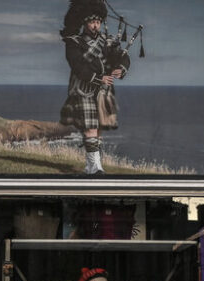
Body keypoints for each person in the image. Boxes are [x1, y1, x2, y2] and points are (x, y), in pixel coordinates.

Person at [59, 0, 130, 175]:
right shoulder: (74, 42)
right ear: (84, 22)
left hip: (103, 91)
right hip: (83, 89)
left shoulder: (107, 41)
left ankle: (90, 166)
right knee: (90, 127)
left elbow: (122, 56)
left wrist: (121, 68)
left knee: (98, 129)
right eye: (92, 21)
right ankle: (96, 168)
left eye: (98, 21)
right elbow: (77, 65)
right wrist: (98, 78)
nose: (95, 25)